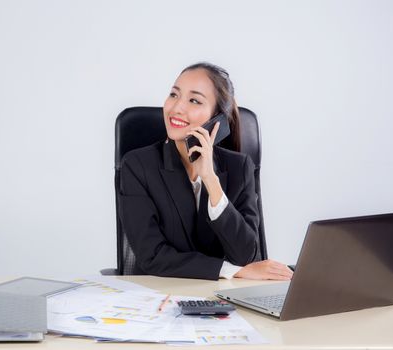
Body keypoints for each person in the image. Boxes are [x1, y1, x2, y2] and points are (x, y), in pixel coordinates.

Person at [118, 62, 293, 281]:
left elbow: (246, 254)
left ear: (217, 119)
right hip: (159, 298)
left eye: (194, 100)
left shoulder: (240, 168)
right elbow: (152, 256)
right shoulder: (137, 166)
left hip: (223, 300)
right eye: (174, 95)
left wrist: (211, 179)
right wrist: (232, 272)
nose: (177, 108)